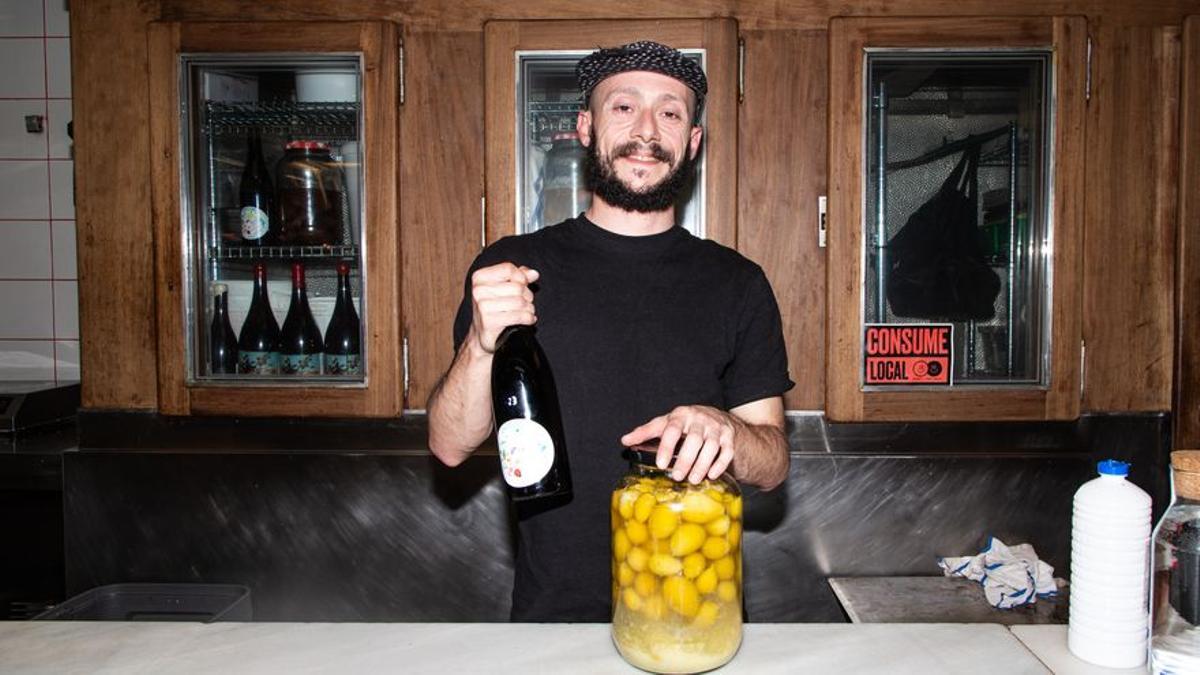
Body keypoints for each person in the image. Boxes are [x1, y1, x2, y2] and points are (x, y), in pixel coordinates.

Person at [427, 40, 793, 622]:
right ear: (586, 127)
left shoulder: (738, 282)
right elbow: (450, 446)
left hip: (691, 618)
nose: (646, 129)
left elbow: (772, 464)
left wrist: (725, 428)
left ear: (692, 142)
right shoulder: (513, 269)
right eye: (623, 107)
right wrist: (480, 342)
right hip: (553, 623)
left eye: (671, 112)